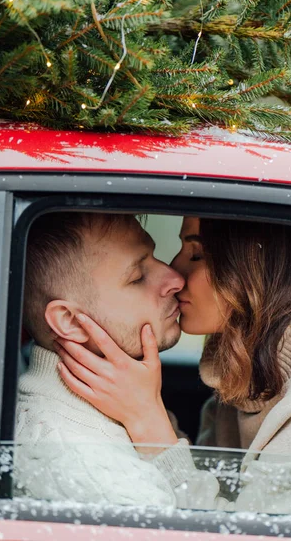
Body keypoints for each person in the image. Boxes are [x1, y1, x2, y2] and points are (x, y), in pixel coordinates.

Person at [56, 217, 291, 519]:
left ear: (258, 269)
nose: (175, 272)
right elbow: (214, 484)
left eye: (198, 254)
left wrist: (148, 422)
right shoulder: (249, 362)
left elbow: (233, 533)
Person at [15, 212, 223, 509]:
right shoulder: (95, 474)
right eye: (137, 277)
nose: (175, 279)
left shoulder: (116, 402)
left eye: (153, 256)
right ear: (70, 321)